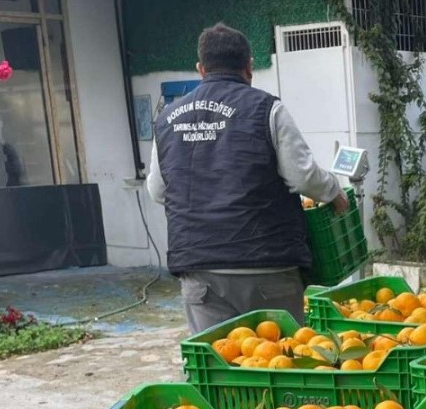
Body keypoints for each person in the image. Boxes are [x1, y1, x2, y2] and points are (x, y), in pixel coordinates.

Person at [148, 22, 348, 333]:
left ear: (201, 69)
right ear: (249, 67)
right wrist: (335, 193)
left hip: (200, 268)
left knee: (218, 367)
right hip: (266, 264)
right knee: (279, 364)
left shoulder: (167, 118)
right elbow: (303, 176)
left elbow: (158, 190)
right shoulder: (267, 109)